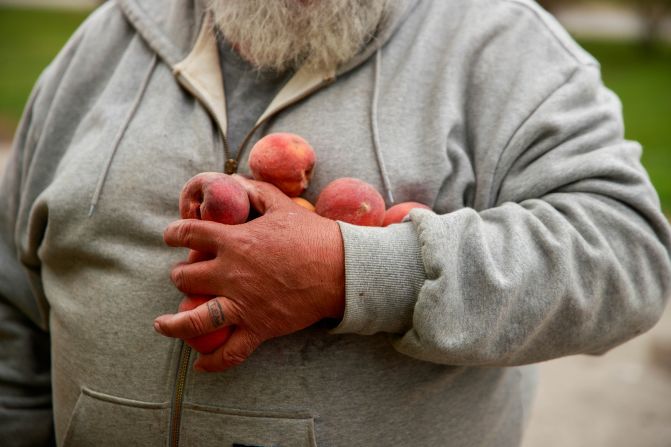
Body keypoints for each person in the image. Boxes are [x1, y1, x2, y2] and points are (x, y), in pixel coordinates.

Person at [1, 0, 670, 445]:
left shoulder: (496, 37)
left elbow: (625, 250)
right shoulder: (112, 37)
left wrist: (356, 271)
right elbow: (11, 292)